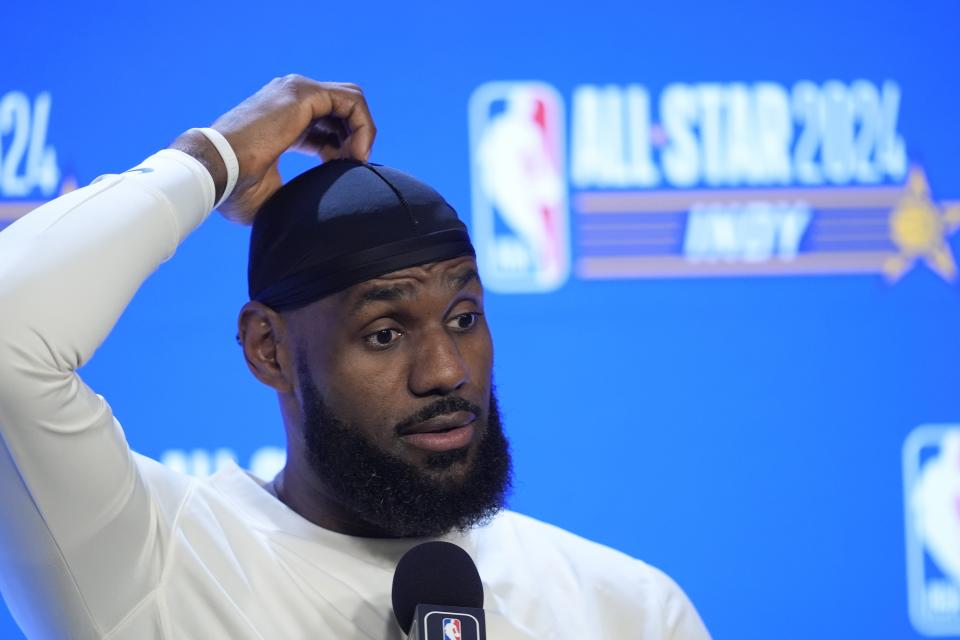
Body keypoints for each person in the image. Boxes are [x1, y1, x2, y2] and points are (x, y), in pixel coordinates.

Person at [0, 75, 710, 639]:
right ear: (268, 350)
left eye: (463, 318)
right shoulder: (152, 567)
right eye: (384, 333)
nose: (445, 371)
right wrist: (216, 158)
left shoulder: (629, 612)